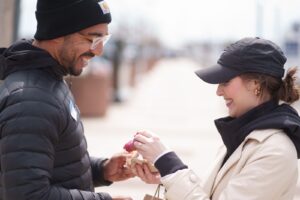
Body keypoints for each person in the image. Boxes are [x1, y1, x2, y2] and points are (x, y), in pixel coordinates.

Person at [132, 37, 300, 200]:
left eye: (225, 82)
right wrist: (167, 175)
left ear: (255, 84)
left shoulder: (275, 151)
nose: (218, 91)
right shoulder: (247, 134)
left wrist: (169, 164)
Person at [0, 0, 135, 199]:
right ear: (57, 32)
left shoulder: (49, 81)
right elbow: (28, 195)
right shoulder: (31, 100)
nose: (98, 51)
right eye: (93, 39)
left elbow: (48, 163)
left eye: (103, 40)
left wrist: (102, 169)